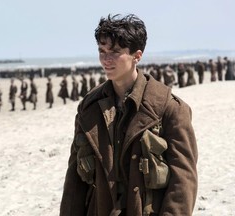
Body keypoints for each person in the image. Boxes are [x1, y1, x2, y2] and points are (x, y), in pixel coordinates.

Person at [60, 14, 198, 216]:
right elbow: (74, 180)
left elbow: (184, 180)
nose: (106, 59)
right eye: (102, 51)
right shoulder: (89, 108)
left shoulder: (169, 108)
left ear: (137, 56)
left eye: (115, 52)